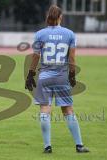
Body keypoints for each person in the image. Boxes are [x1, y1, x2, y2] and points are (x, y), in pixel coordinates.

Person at [25, 5, 89, 153]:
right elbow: (72, 57)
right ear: (60, 17)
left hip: (45, 77)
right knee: (68, 110)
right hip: (61, 77)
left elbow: (35, 56)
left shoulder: (40, 34)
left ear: (48, 16)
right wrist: (72, 75)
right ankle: (79, 145)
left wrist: (30, 74)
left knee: (44, 110)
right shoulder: (69, 34)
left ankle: (47, 146)